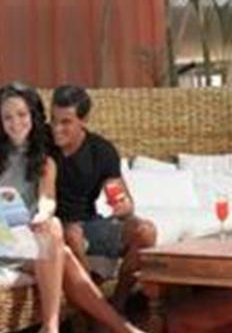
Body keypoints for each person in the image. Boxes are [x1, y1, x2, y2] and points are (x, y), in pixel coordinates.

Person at [0, 82, 141, 333]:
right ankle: (115, 329)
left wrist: (42, 215)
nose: (15, 123)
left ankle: (58, 327)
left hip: (18, 239)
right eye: (7, 117)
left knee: (54, 235)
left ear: (33, 116)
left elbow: (47, 199)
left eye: (22, 115)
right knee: (61, 251)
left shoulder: (44, 159)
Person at [49, 85, 157, 311]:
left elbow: (121, 197)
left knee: (146, 231)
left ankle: (117, 305)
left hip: (89, 225)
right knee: (72, 233)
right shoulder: (41, 142)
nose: (57, 129)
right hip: (55, 227)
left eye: (66, 122)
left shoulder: (101, 151)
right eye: (54, 120)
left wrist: (122, 206)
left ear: (84, 120)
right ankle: (96, 313)